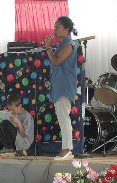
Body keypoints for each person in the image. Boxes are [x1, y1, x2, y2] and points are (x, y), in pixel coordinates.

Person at [44, 16, 78, 160]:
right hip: (59, 85)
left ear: (67, 29)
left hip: (64, 86)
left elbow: (57, 61)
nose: (54, 29)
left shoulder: (68, 44)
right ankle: (66, 148)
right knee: (62, 117)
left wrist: (47, 47)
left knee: (64, 118)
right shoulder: (62, 43)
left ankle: (67, 149)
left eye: (57, 27)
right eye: (55, 26)